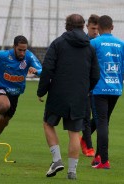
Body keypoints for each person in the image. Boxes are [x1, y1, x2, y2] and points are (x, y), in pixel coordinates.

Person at [37, 14, 100, 180]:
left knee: (48, 124)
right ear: (83, 26)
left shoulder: (58, 43)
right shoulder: (90, 48)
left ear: (67, 26)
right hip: (79, 96)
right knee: (74, 133)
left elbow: (48, 69)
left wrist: (41, 91)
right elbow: (95, 75)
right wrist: (86, 89)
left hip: (58, 93)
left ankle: (57, 160)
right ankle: (72, 172)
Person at [90, 15, 124, 169]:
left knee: (101, 122)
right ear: (112, 27)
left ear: (98, 28)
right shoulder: (121, 44)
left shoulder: (94, 43)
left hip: (99, 89)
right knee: (104, 122)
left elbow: (87, 65)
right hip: (116, 88)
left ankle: (104, 160)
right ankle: (98, 156)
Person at [80, 14, 100, 157]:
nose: (95, 31)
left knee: (99, 117)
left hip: (99, 85)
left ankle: (84, 139)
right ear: (87, 27)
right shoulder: (83, 42)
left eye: (98, 29)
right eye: (93, 28)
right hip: (85, 85)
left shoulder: (100, 43)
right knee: (86, 116)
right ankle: (89, 146)